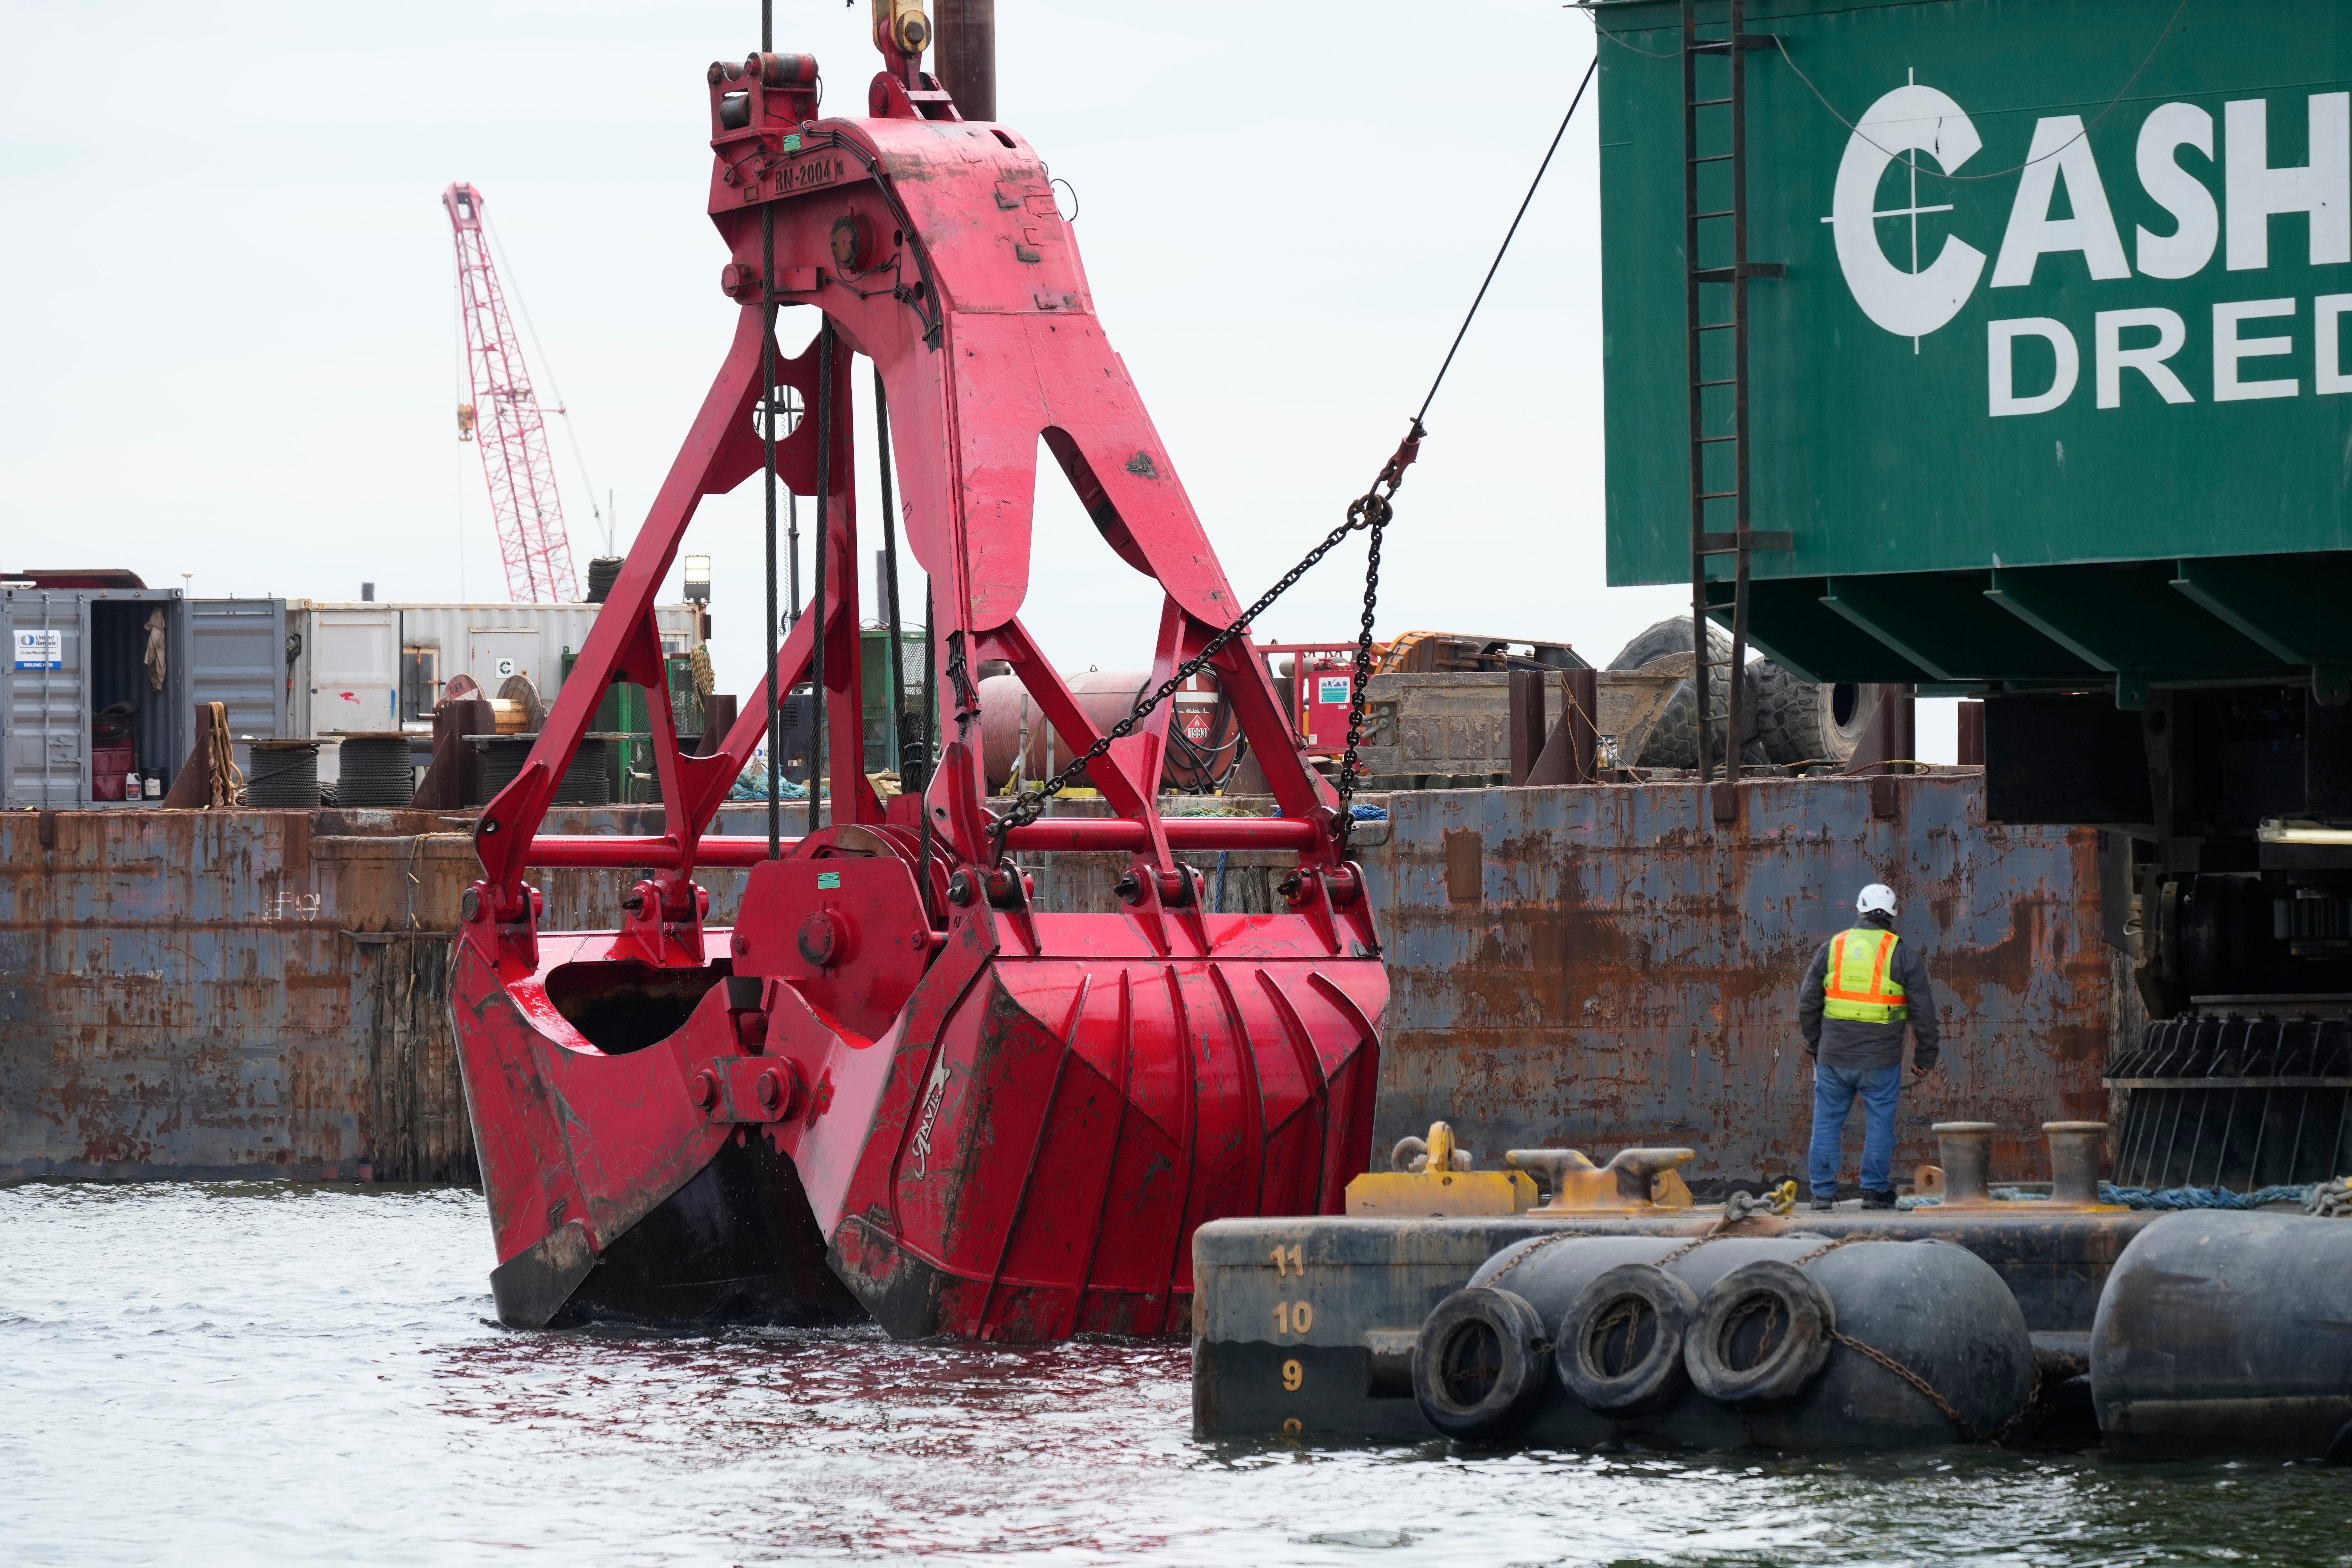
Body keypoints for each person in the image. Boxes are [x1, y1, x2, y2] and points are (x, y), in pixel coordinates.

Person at [1797, 882, 1939, 1211]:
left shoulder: (1834, 947)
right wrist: (1925, 1056)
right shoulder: (1902, 953)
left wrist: (1819, 1046)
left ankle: (1821, 1194)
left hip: (1834, 1056)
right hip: (1881, 1059)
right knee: (1880, 1123)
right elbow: (1924, 1012)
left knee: (1827, 1122)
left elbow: (1807, 1003)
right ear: (1891, 915)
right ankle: (1875, 1192)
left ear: (1859, 910)